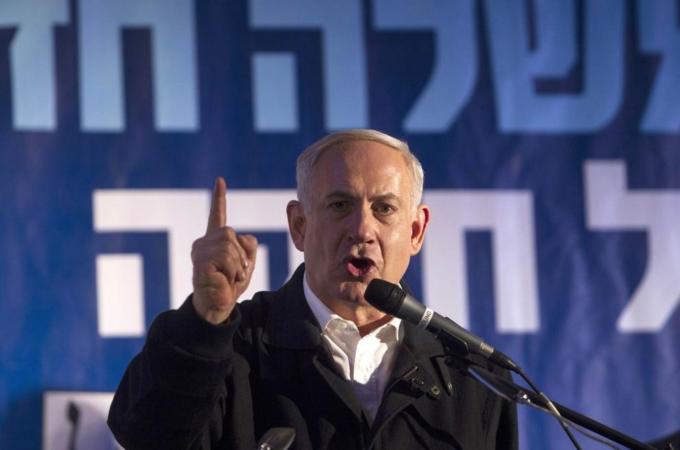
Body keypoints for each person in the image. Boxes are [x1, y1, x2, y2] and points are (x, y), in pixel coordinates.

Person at [108, 129, 518, 449]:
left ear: (415, 230)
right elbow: (146, 437)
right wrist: (205, 324)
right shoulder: (233, 349)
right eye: (340, 205)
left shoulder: (471, 375)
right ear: (299, 225)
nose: (362, 229)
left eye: (384, 208)